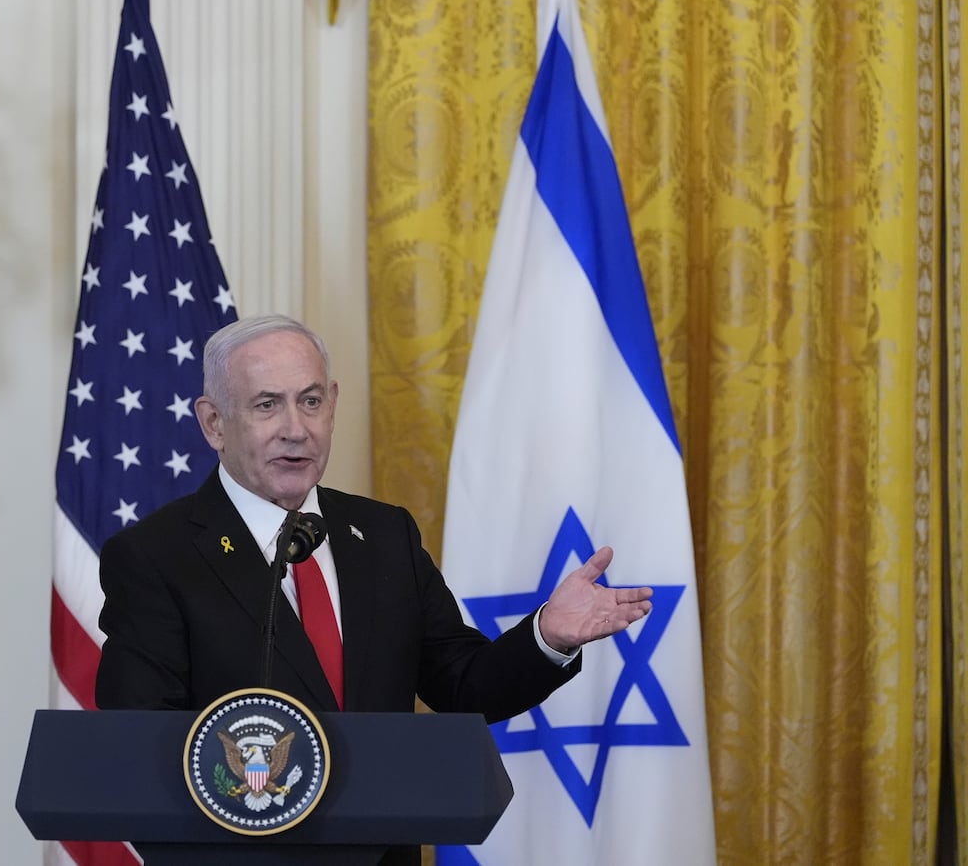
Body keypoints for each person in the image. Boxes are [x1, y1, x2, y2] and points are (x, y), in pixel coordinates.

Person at [93, 314, 652, 863]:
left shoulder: (385, 535)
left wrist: (546, 637)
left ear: (332, 406)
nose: (296, 427)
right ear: (214, 423)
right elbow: (144, 752)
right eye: (268, 405)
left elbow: (464, 688)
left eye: (311, 401)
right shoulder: (154, 558)